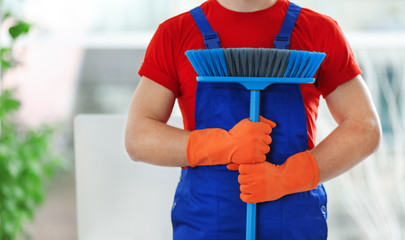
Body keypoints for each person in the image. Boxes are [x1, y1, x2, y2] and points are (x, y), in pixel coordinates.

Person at [125, 0, 382, 239]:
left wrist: (288, 177)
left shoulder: (319, 31)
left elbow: (364, 128)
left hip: (294, 226)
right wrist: (223, 144)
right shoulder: (176, 34)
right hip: (205, 226)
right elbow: (138, 136)